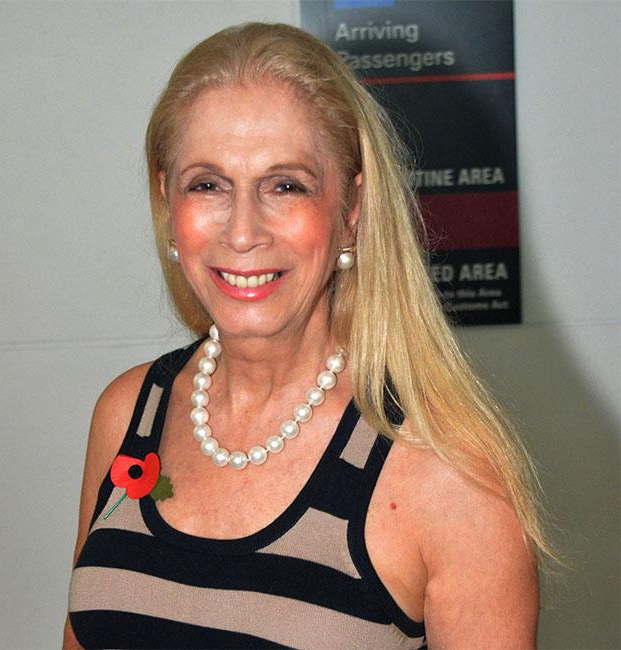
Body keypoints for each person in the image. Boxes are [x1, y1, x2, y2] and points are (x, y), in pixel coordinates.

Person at [64, 22, 551, 649]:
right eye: (207, 184)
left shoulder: (447, 476)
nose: (243, 232)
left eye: (286, 186)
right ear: (168, 200)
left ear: (351, 209)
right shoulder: (127, 413)